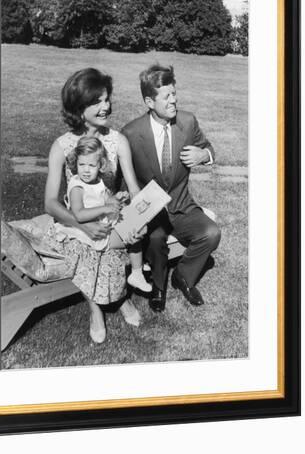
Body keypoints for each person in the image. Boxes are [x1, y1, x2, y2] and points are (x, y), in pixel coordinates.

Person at [44, 68, 146, 343]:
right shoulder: (62, 146)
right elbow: (51, 203)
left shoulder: (117, 141)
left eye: (106, 99)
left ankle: (119, 297)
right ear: (79, 107)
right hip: (76, 218)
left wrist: (137, 221)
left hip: (110, 213)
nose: (106, 106)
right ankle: (97, 309)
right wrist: (82, 225)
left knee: (117, 241)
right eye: (97, 101)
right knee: (88, 249)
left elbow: (134, 191)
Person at [122, 64, 221, 313]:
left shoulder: (187, 122)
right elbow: (120, 179)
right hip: (151, 211)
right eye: (166, 97)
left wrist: (203, 155)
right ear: (149, 101)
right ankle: (158, 286)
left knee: (211, 233)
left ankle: (183, 277)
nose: (174, 101)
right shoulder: (131, 133)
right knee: (156, 239)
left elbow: (210, 149)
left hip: (181, 205)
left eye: (174, 94)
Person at [54, 136, 151, 292]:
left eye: (91, 165)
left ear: (100, 165)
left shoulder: (98, 181)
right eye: (82, 164)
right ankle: (137, 271)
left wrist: (117, 198)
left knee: (138, 224)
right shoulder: (77, 186)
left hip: (104, 220)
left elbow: (107, 200)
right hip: (90, 229)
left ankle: (137, 265)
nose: (86, 170)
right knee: (133, 234)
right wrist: (104, 209)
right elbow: (78, 214)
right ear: (75, 163)